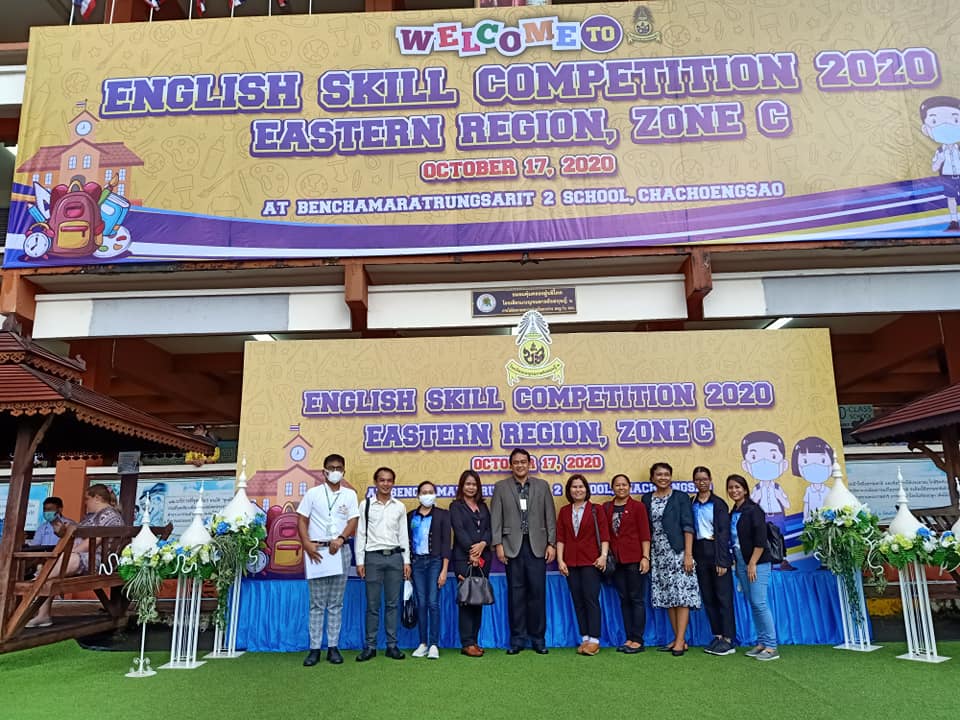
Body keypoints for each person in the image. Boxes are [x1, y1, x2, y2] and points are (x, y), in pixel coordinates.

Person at [491, 447, 557, 654]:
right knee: (515, 594)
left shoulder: (542, 486)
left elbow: (550, 516)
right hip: (512, 547)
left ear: (530, 464)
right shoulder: (501, 487)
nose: (520, 465)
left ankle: (538, 639)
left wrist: (552, 544)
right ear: (511, 465)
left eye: (523, 462)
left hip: (538, 546)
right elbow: (496, 518)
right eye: (516, 462)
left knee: (537, 593)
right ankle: (517, 639)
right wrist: (498, 544)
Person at [28, 484, 123, 627]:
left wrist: (71, 552)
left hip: (99, 562)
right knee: (51, 569)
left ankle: (33, 584)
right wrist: (62, 531)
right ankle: (42, 613)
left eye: (87, 499)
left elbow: (92, 542)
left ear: (97, 498)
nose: (85, 502)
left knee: (64, 561)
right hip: (86, 557)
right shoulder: (93, 516)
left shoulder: (109, 516)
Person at [296, 453, 359, 667]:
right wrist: (306, 543)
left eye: (339, 468)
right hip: (317, 551)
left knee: (335, 603)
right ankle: (314, 649)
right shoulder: (313, 493)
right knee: (316, 604)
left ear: (344, 471)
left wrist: (341, 538)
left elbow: (353, 520)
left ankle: (333, 647)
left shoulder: (349, 494)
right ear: (323, 471)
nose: (335, 471)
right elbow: (302, 519)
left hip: (340, 550)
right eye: (331, 468)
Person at [640, 462, 700, 656]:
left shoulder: (681, 497)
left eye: (666, 474)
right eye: (659, 474)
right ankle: (677, 638)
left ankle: (681, 640)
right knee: (669, 597)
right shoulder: (646, 498)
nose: (663, 478)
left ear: (671, 477)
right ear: (652, 478)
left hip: (678, 552)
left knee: (682, 597)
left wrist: (688, 554)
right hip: (658, 554)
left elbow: (688, 526)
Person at [355, 466, 410, 661]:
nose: (385, 484)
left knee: (392, 604)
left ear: (393, 483)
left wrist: (406, 561)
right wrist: (360, 561)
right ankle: (370, 646)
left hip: (395, 558)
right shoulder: (366, 505)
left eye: (389, 480)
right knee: (372, 605)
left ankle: (392, 645)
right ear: (375, 482)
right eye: (382, 480)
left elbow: (403, 535)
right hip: (373, 558)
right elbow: (360, 534)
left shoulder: (399, 506)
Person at [726, 473, 779, 661]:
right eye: (730, 487)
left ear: (745, 490)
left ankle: (771, 646)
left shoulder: (754, 510)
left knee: (759, 602)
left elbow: (760, 540)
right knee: (753, 603)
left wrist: (753, 563)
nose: (734, 490)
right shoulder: (734, 511)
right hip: (741, 561)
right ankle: (762, 642)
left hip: (757, 562)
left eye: (737, 487)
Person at [556, 474, 609, 656]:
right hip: (571, 562)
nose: (578, 490)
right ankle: (585, 637)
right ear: (569, 490)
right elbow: (561, 538)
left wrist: (603, 556)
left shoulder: (596, 509)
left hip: (591, 561)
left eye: (581, 486)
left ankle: (594, 639)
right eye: (574, 487)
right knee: (578, 600)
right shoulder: (564, 511)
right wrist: (560, 560)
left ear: (586, 489)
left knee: (590, 600)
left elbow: (604, 535)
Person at [603, 473, 650, 653]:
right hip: (616, 561)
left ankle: (638, 640)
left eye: (624, 485)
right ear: (612, 488)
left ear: (630, 487)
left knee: (636, 599)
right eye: (617, 485)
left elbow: (645, 534)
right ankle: (629, 638)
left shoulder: (638, 507)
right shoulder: (607, 507)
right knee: (624, 599)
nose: (621, 488)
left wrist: (645, 557)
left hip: (634, 559)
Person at [691, 466, 736, 656]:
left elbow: (724, 533)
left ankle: (728, 639)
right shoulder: (691, 503)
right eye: (698, 479)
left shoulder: (718, 504)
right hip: (699, 554)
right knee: (708, 597)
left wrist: (722, 560)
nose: (701, 482)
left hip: (716, 552)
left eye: (704, 479)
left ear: (710, 480)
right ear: (694, 482)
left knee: (723, 597)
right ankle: (717, 636)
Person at [449, 470, 492, 658]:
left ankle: (474, 641)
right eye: (467, 484)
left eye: (474, 484)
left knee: (478, 599)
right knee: (467, 600)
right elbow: (459, 531)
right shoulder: (455, 506)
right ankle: (466, 643)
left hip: (484, 559)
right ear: (462, 486)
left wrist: (483, 544)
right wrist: (472, 551)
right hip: (464, 559)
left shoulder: (483, 506)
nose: (471, 487)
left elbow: (490, 529)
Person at [407, 481, 451, 660]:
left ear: (435, 494)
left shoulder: (442, 515)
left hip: (435, 563)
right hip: (416, 563)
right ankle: (423, 643)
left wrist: (444, 570)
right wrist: (407, 564)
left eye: (430, 492)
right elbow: (406, 541)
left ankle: (434, 644)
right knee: (421, 603)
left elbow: (446, 544)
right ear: (418, 495)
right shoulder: (411, 516)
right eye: (424, 492)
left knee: (433, 603)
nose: (427, 495)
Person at [741, 430, 795, 570]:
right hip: (762, 517)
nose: (764, 462)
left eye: (772, 456)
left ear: (783, 464)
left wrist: (780, 496)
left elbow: (786, 504)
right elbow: (751, 503)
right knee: (764, 539)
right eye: (754, 457)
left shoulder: (777, 487)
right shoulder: (756, 489)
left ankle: (783, 560)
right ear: (746, 465)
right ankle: (768, 560)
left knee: (779, 537)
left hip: (777, 515)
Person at [920, 95, 960, 231]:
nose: (946, 126)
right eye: (935, 121)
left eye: (955, 120)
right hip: (947, 178)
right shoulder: (940, 151)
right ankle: (954, 221)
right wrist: (940, 159)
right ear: (925, 129)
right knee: (951, 198)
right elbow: (934, 167)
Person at [792, 436, 835, 522]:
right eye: (805, 462)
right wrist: (805, 518)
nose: (815, 467)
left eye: (822, 461)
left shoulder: (828, 490)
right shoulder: (809, 490)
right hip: (812, 521)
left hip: (827, 521)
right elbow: (806, 505)